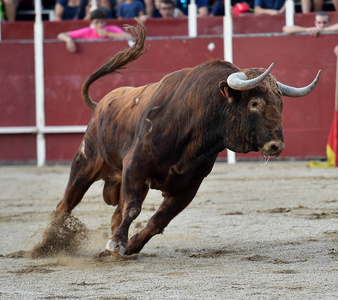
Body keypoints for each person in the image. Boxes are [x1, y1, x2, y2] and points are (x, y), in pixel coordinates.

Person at [57, 8, 132, 52]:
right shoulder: (87, 31)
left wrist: (107, 34)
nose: (100, 25)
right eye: (96, 22)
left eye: (102, 22)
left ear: (105, 21)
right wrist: (68, 40)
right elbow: (61, 35)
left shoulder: (112, 29)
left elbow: (129, 36)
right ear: (92, 22)